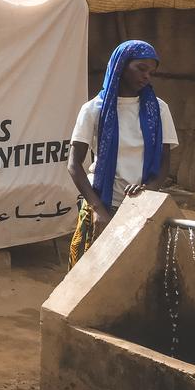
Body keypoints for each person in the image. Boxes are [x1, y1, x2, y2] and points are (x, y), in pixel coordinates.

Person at [67, 40, 179, 268]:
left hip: (140, 207)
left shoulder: (159, 109)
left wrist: (147, 192)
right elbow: (74, 164)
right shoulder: (93, 109)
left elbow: (164, 162)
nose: (147, 76)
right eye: (141, 68)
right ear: (121, 65)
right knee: (88, 274)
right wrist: (98, 209)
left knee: (134, 274)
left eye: (151, 71)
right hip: (102, 203)